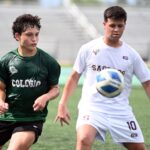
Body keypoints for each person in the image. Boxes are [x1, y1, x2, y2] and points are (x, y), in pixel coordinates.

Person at [55, 6, 150, 150]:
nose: (116, 29)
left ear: (125, 25)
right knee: (83, 139)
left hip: (120, 110)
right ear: (104, 24)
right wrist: (62, 103)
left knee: (139, 148)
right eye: (112, 25)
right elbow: (74, 77)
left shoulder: (131, 54)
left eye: (120, 26)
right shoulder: (88, 49)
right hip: (92, 107)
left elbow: (147, 82)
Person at [0, 14, 60, 150]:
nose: (34, 39)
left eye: (36, 34)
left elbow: (55, 88)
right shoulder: (6, 61)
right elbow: (1, 88)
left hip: (30, 119)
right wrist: (0, 101)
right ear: (17, 36)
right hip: (5, 117)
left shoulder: (49, 62)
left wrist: (46, 97)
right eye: (29, 35)